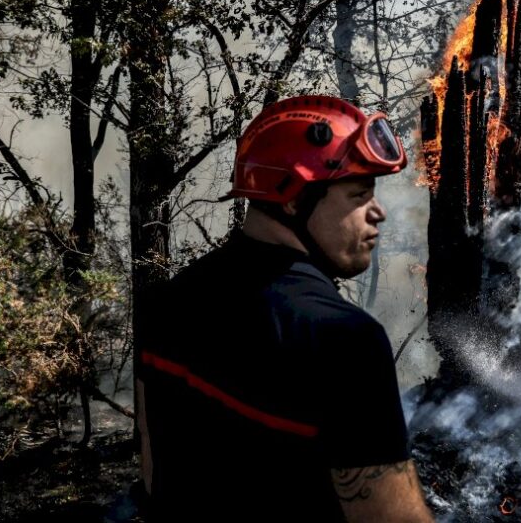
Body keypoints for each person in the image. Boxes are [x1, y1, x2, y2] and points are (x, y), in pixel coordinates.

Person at [135, 95, 435, 522]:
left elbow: (152, 473)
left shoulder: (167, 303)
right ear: (293, 199)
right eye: (358, 194)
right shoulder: (346, 341)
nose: (378, 212)